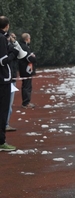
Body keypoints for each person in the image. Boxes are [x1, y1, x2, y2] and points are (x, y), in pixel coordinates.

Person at [0, 16, 19, 151]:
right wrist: (13, 53)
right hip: (3, 80)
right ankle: (1, 142)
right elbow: (2, 60)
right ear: (6, 26)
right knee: (3, 111)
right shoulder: (1, 38)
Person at [19, 32, 36, 109]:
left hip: (24, 68)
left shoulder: (23, 46)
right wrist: (33, 57)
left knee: (26, 85)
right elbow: (29, 58)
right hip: (26, 69)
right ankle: (26, 102)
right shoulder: (25, 47)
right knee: (27, 86)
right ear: (27, 39)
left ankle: (26, 102)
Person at [6, 32, 18, 131]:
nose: (14, 39)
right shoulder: (10, 50)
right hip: (9, 79)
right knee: (8, 103)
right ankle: (5, 124)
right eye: (12, 37)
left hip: (11, 77)